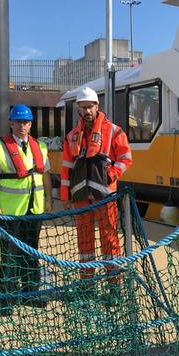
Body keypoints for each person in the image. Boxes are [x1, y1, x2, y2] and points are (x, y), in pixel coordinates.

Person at [60, 87, 132, 289]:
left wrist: (112, 174)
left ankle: (114, 285)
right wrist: (65, 197)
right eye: (83, 108)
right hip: (81, 197)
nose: (87, 111)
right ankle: (87, 285)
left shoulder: (114, 131)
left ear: (97, 106)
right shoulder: (72, 136)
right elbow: (66, 169)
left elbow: (126, 158)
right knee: (84, 242)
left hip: (105, 195)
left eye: (90, 107)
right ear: (78, 110)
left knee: (110, 240)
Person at [0, 104, 53, 316]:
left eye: (25, 122)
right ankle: (6, 299)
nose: (22, 126)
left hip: (34, 208)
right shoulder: (0, 148)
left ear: (31, 124)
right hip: (10, 210)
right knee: (9, 255)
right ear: (11, 124)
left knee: (31, 252)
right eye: (17, 122)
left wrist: (49, 199)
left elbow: (46, 175)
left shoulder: (40, 147)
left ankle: (30, 293)